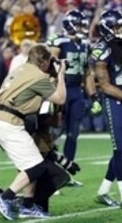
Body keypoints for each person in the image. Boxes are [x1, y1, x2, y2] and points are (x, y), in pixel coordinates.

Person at [0, 44, 67, 220]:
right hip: (8, 121)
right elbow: (60, 98)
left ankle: (28, 205)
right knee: (36, 166)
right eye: (49, 61)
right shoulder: (38, 76)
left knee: (30, 163)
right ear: (45, 61)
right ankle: (4, 198)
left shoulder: (20, 68)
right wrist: (60, 75)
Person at [91, 9, 122, 210]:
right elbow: (104, 84)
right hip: (114, 100)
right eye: (117, 27)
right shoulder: (101, 49)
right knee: (119, 148)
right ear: (107, 28)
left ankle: (103, 190)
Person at [47, 9, 101, 187]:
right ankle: (47, 173)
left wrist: (93, 96)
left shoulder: (84, 44)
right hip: (60, 90)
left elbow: (87, 73)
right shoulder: (57, 41)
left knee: (73, 134)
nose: (81, 28)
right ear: (69, 25)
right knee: (53, 134)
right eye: (78, 24)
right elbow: (49, 68)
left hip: (77, 92)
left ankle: (66, 174)